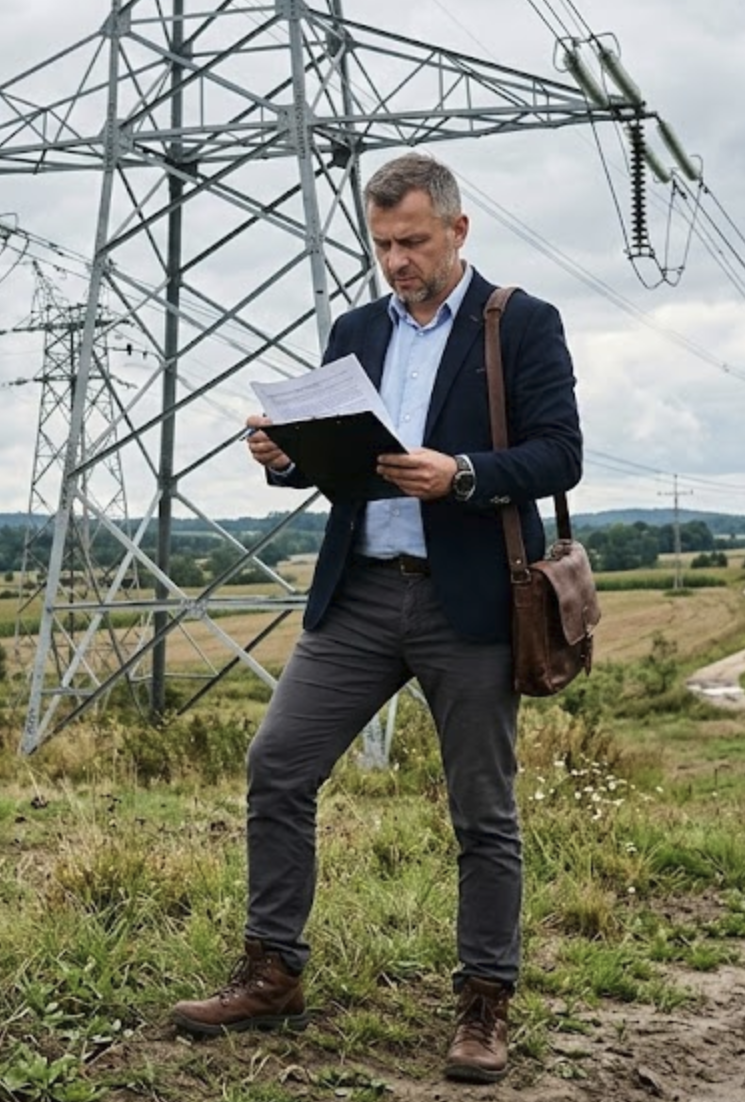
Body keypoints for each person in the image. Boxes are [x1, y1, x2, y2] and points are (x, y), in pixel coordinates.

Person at [169, 152, 583, 1084]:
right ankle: (273, 973)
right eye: (383, 243)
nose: (396, 261)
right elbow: (337, 464)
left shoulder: (520, 324)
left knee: (483, 810)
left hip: (469, 600)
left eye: (413, 243)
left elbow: (561, 454)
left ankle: (485, 1004)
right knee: (278, 763)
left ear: (458, 231)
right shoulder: (357, 328)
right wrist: (282, 455)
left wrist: (463, 474)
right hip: (358, 592)